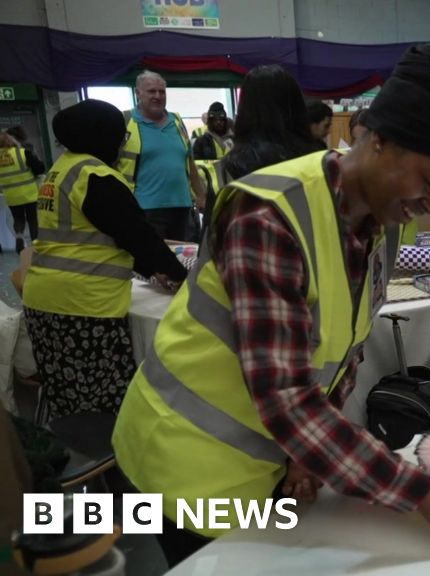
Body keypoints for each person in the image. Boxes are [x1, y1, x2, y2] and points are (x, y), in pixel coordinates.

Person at [111, 18, 430, 566]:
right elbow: (285, 398)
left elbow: (342, 349)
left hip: (258, 467)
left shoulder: (381, 223)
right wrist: (421, 492)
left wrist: (307, 453)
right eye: (429, 183)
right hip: (183, 467)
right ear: (379, 137)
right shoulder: (269, 215)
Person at [22, 100, 186, 421]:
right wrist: (179, 275)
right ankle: (104, 454)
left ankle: (77, 451)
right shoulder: (95, 176)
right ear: (101, 135)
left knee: (70, 400)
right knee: (104, 406)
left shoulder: (61, 170)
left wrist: (152, 270)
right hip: (84, 308)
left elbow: (95, 238)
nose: (123, 145)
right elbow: (138, 235)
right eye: (120, 136)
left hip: (45, 302)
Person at [195, 65, 323, 234]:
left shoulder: (228, 170)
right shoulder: (319, 163)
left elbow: (212, 236)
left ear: (244, 110)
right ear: (297, 107)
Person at [117, 70, 206, 241]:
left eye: (162, 91)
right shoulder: (125, 122)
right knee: (151, 258)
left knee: (185, 256)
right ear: (138, 93)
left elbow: (189, 163)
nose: (158, 96)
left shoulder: (177, 121)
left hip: (183, 208)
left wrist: (201, 196)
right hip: (143, 210)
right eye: (152, 91)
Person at [0, 132, 45, 253]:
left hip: (11, 196)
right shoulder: (22, 153)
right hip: (29, 193)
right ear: (11, 141)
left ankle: (19, 237)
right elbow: (40, 168)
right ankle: (35, 244)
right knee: (32, 219)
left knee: (18, 219)